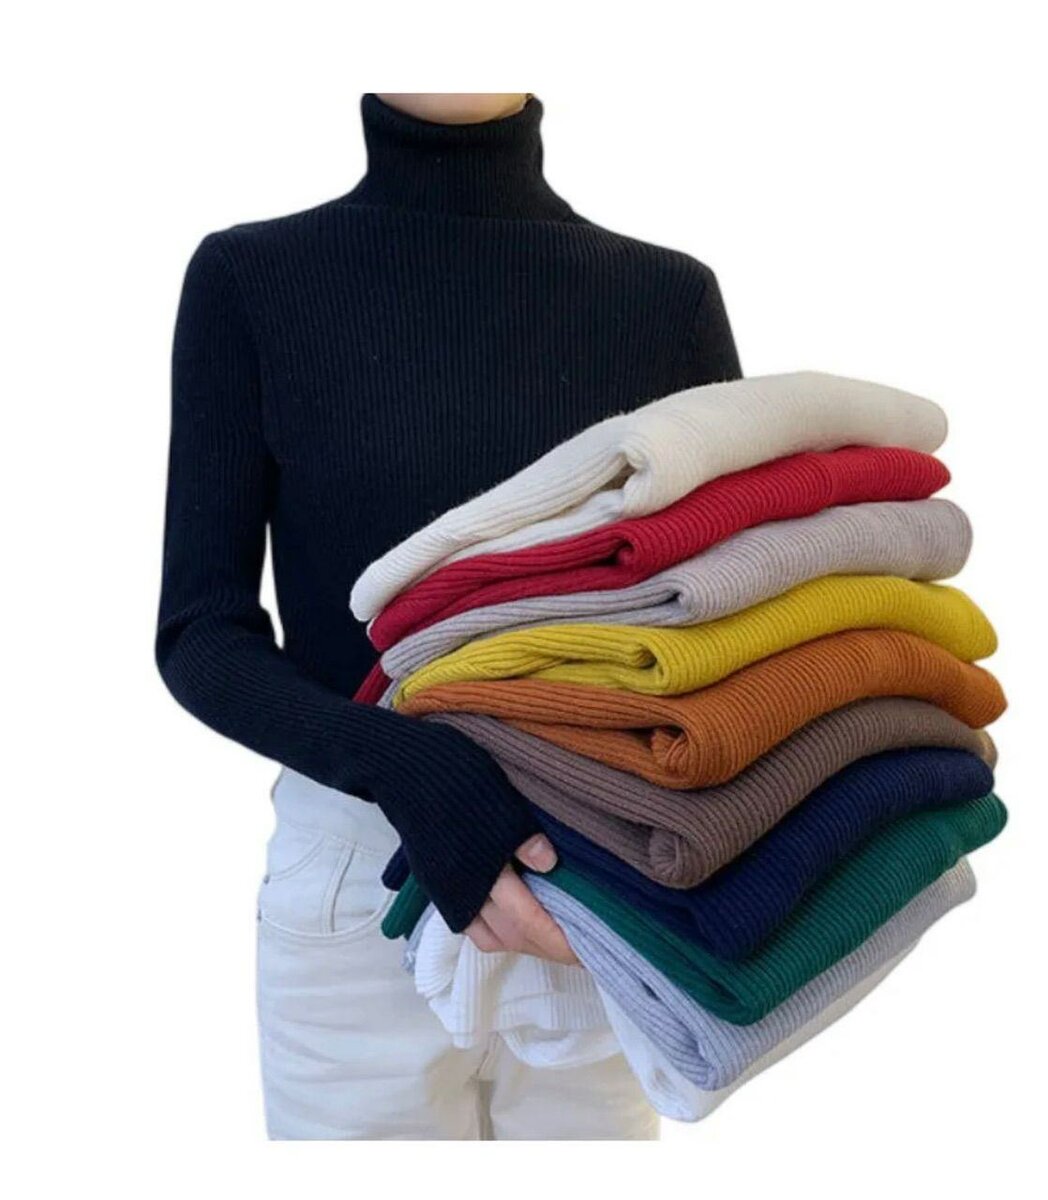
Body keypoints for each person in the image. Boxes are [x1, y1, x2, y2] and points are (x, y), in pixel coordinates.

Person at [157, 91, 742, 1140]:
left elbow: (721, 624)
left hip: (597, 878)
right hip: (359, 875)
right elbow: (201, 630)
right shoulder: (253, 278)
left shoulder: (667, 300)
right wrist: (402, 764)